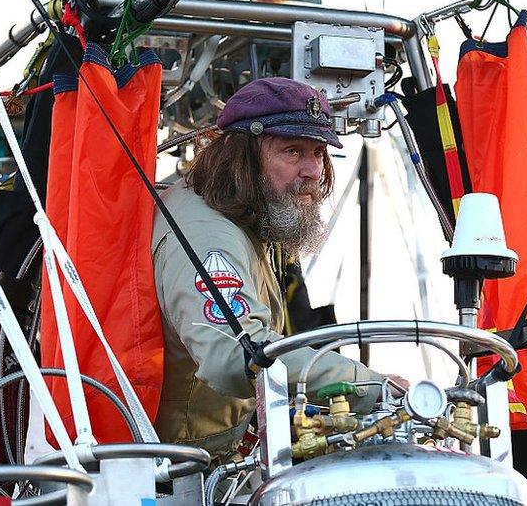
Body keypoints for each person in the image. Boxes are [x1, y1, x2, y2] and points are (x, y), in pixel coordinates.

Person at [152, 77, 398, 457]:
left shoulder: (244, 215)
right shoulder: (207, 236)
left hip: (213, 454)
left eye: (317, 152)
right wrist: (369, 386)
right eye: (292, 151)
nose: (313, 171)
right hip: (172, 473)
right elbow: (236, 356)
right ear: (242, 156)